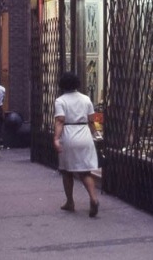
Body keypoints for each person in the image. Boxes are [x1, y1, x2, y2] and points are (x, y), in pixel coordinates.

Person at [53, 72, 100, 217]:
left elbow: (60, 120)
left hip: (69, 134)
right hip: (84, 133)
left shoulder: (60, 101)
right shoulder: (86, 99)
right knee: (85, 171)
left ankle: (70, 202)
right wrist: (95, 134)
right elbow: (91, 120)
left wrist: (56, 138)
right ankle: (93, 198)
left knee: (67, 171)